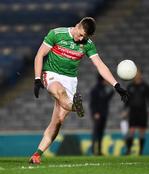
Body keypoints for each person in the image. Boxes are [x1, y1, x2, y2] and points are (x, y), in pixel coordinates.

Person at [29, 17, 128, 164]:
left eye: (84, 37)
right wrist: (37, 79)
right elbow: (39, 55)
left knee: (58, 121)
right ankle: (75, 106)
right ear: (77, 25)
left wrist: (116, 85)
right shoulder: (57, 34)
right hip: (51, 74)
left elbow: (100, 65)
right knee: (59, 91)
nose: (81, 38)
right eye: (80, 34)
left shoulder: (87, 44)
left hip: (70, 81)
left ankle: (37, 154)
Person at [124, 69, 149, 155]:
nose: (137, 75)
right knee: (131, 130)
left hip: (142, 111)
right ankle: (129, 150)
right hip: (133, 111)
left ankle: (140, 151)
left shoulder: (146, 86)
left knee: (142, 130)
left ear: (140, 74)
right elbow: (127, 100)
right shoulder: (130, 86)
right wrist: (125, 110)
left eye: (138, 73)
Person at [90, 74, 114, 155]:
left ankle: (99, 151)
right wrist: (95, 112)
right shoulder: (95, 90)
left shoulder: (103, 89)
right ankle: (93, 150)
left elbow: (105, 100)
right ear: (102, 80)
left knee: (101, 133)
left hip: (104, 114)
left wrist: (112, 92)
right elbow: (92, 103)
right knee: (96, 132)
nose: (107, 81)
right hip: (97, 114)